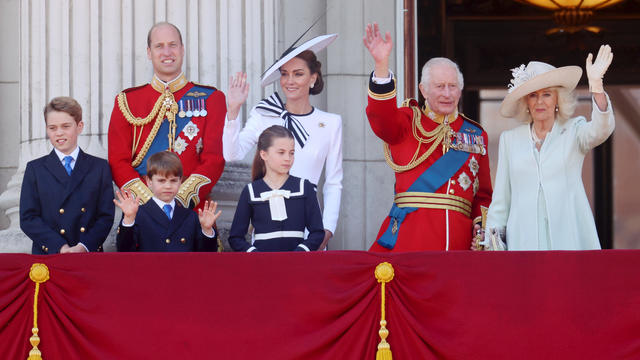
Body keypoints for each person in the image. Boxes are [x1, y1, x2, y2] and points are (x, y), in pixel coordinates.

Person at [363, 23, 493, 252]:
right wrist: (381, 66)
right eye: (440, 86)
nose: (447, 93)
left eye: (453, 86)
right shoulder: (406, 122)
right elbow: (381, 117)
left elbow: (483, 195)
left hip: (459, 244)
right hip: (410, 240)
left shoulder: (475, 134)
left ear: (460, 91)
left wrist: (479, 230)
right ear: (423, 90)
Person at [480, 45, 615, 251]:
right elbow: (501, 201)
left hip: (569, 239)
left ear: (557, 100)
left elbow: (600, 130)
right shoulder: (510, 140)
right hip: (523, 243)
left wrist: (596, 85)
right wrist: (492, 244)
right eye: (533, 95)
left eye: (547, 95)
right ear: (526, 102)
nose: (540, 102)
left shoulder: (573, 131)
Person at [223, 34, 342, 250]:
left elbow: (333, 182)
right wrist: (233, 111)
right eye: (285, 74)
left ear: (313, 78)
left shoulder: (331, 123)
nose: (289, 81)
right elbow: (232, 154)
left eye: (298, 74)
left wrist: (326, 230)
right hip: (267, 224)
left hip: (309, 226)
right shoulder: (264, 113)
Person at [108, 22, 225, 211]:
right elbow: (118, 161)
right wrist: (150, 203)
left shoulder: (212, 99)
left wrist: (179, 200)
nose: (167, 52)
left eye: (172, 45)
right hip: (143, 212)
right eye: (159, 46)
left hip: (193, 214)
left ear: (182, 49)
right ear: (149, 52)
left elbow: (214, 159)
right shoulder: (127, 101)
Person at [20, 96, 115, 254]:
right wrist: (60, 247)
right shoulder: (35, 169)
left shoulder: (99, 167)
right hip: (50, 254)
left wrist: (84, 246)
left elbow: (105, 216)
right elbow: (28, 218)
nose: (59, 133)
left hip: (88, 254)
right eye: (52, 128)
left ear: (79, 126)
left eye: (65, 126)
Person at [228, 125, 324, 252]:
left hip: (297, 266)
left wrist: (301, 251)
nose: (287, 158)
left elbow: (317, 232)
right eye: (281, 152)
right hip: (263, 267)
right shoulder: (251, 191)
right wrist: (255, 255)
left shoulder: (304, 187)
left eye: (291, 153)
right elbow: (235, 237)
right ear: (264, 154)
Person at [114, 151, 221, 252]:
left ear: (180, 182)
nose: (168, 186)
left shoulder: (191, 216)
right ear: (149, 182)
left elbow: (206, 257)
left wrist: (207, 231)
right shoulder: (137, 214)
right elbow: (124, 251)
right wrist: (128, 221)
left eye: (173, 180)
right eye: (161, 181)